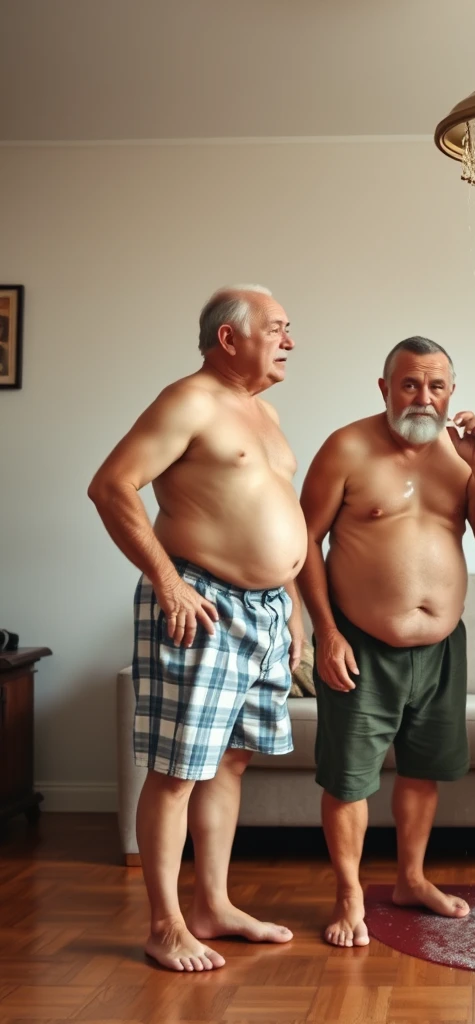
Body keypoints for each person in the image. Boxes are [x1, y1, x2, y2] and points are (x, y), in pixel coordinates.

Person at [88, 285, 306, 972]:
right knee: (179, 769)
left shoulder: (263, 411)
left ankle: (212, 904)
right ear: (229, 338)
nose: (290, 342)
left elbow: (270, 511)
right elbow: (112, 485)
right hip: (202, 603)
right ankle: (165, 924)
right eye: (277, 328)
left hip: (266, 612)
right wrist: (168, 582)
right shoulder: (188, 400)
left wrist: (293, 604)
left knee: (230, 759)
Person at [297, 335, 475, 948]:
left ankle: (410, 880)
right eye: (410, 384)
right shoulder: (346, 447)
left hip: (441, 649)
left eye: (436, 385)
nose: (423, 396)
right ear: (385, 387)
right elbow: (302, 544)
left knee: (424, 771)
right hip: (360, 643)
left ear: (452, 392)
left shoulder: (461, 455)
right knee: (349, 779)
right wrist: (327, 632)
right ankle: (348, 897)